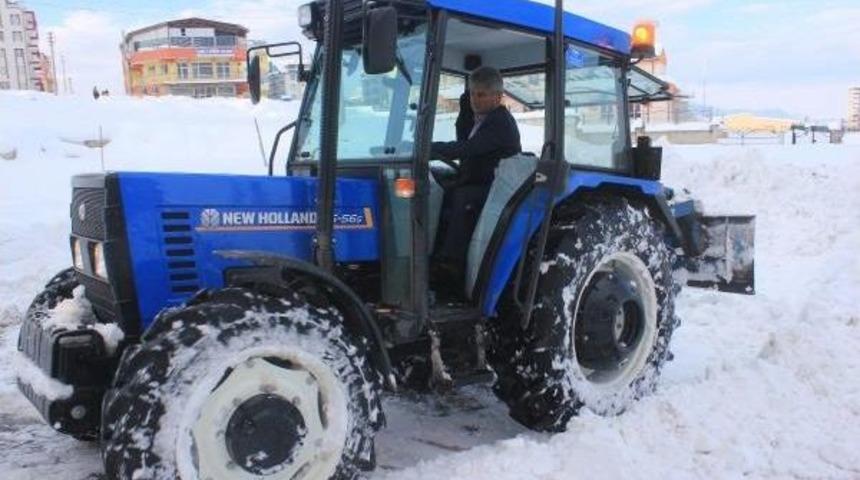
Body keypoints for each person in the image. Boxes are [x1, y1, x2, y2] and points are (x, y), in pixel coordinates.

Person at [430, 66, 521, 270]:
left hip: (498, 188)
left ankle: (451, 263)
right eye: (472, 94)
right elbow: (463, 139)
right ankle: (432, 250)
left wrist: (427, 148)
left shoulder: (500, 122)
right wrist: (464, 110)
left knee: (463, 196)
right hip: (478, 179)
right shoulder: (479, 119)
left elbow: (468, 148)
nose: (475, 100)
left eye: (481, 95)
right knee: (437, 186)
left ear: (497, 97)